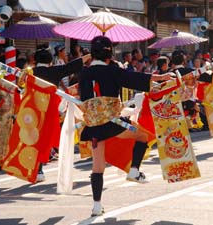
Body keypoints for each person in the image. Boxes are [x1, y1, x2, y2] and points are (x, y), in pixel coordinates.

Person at [79, 36, 174, 217]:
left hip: (93, 126)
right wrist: (161, 77)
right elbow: (134, 78)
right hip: (114, 123)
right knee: (142, 136)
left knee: (97, 167)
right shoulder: (112, 71)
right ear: (109, 53)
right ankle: (134, 170)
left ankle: (96, 206)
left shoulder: (84, 72)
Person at [32, 44, 91, 182]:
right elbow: (71, 66)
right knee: (45, 138)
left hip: (31, 108)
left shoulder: (30, 72)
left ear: (35, 61)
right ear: (50, 61)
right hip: (49, 109)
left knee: (32, 137)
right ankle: (39, 169)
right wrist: (90, 55)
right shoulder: (54, 71)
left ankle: (32, 167)